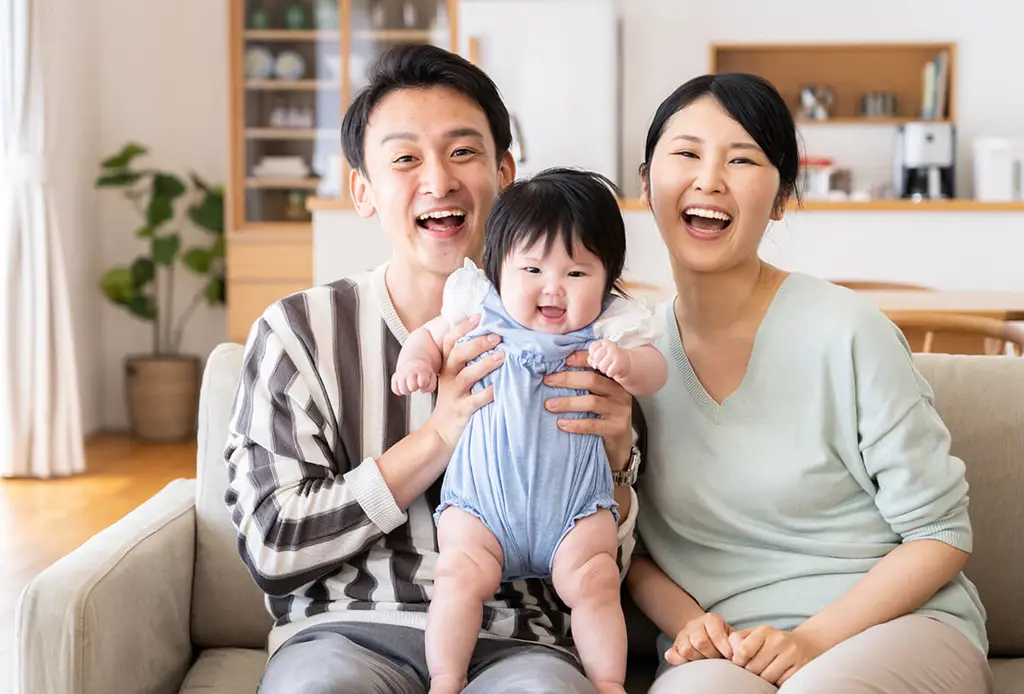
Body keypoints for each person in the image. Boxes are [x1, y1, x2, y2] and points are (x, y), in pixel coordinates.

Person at [223, 44, 644, 694]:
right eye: (405, 158)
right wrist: (439, 434)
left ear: (506, 176)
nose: (438, 180)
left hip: (518, 642)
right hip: (343, 633)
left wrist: (615, 463)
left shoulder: (586, 333)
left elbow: (605, 576)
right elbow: (274, 545)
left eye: (463, 152)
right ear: (362, 190)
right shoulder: (298, 332)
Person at [625, 72, 992, 693]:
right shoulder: (628, 360)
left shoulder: (848, 330)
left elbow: (940, 535)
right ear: (647, 182)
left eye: (742, 159)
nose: (709, 179)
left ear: (781, 195)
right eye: (686, 153)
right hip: (728, 649)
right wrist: (692, 626)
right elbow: (625, 545)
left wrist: (810, 642)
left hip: (895, 627)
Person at [391, 167, 668, 694]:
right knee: (456, 576)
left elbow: (657, 370)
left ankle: (607, 681)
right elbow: (430, 333)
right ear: (498, 270)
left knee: (596, 580)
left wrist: (627, 363)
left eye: (578, 274)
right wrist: (418, 359)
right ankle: (446, 679)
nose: (553, 289)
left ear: (607, 277)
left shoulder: (611, 322)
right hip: (482, 509)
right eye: (533, 269)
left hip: (574, 510)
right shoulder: (478, 307)